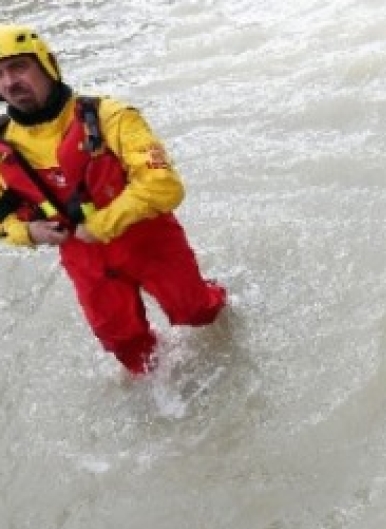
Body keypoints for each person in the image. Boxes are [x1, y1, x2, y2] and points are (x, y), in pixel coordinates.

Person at [0, 25, 226, 375]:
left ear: (47, 65)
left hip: (148, 240)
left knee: (199, 313)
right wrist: (29, 233)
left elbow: (165, 186)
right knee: (127, 349)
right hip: (84, 259)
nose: (9, 81)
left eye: (18, 67)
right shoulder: (3, 149)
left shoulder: (110, 117)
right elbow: (2, 221)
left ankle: (223, 307)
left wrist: (102, 225)